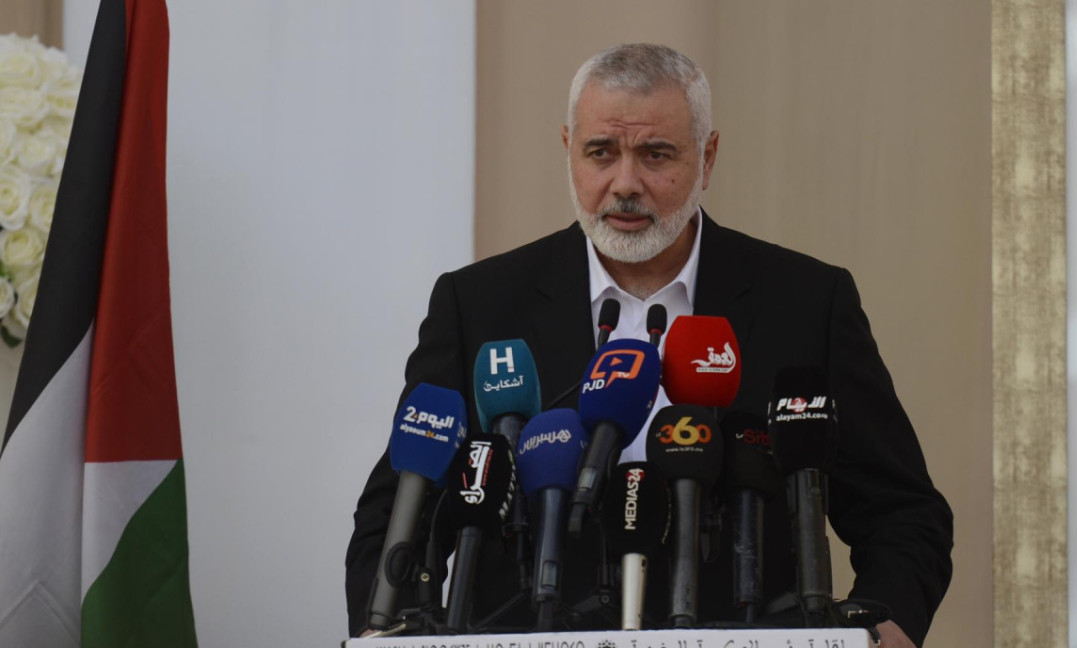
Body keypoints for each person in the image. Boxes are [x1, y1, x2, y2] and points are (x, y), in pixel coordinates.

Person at [346, 43, 952, 648]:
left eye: (656, 154)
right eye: (600, 153)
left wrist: (884, 629)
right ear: (568, 151)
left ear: (707, 157)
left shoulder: (805, 301)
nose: (625, 183)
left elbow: (902, 514)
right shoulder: (479, 303)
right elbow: (400, 507)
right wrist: (383, 630)